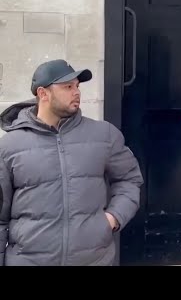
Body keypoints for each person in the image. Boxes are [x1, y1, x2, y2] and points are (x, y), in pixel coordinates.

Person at [0, 59, 144, 266]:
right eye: (67, 87)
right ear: (43, 94)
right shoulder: (10, 146)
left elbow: (129, 180)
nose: (76, 92)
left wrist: (112, 218)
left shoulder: (104, 135)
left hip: (93, 260)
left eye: (77, 86)